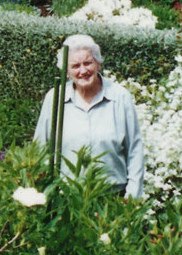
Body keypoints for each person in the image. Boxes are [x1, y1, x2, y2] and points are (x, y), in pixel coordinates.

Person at [33, 34, 144, 198]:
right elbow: (41, 147)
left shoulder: (119, 97)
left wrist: (132, 197)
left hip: (112, 197)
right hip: (67, 198)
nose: (83, 71)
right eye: (75, 66)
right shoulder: (55, 97)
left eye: (88, 63)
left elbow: (135, 149)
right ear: (67, 71)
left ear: (98, 64)